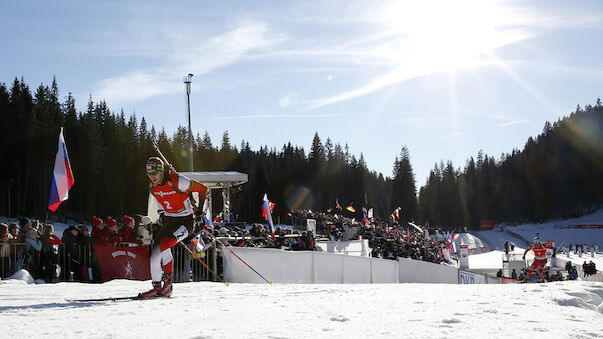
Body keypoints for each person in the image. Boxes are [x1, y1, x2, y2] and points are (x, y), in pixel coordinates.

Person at [138, 156, 207, 298]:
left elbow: (203, 189)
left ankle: (166, 286)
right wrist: (162, 215)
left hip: (185, 222)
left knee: (162, 246)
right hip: (170, 221)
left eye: (155, 174)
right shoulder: (153, 186)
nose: (152, 177)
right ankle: (158, 287)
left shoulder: (177, 181)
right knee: (156, 252)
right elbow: (160, 202)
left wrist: (199, 213)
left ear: (161, 171)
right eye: (149, 174)